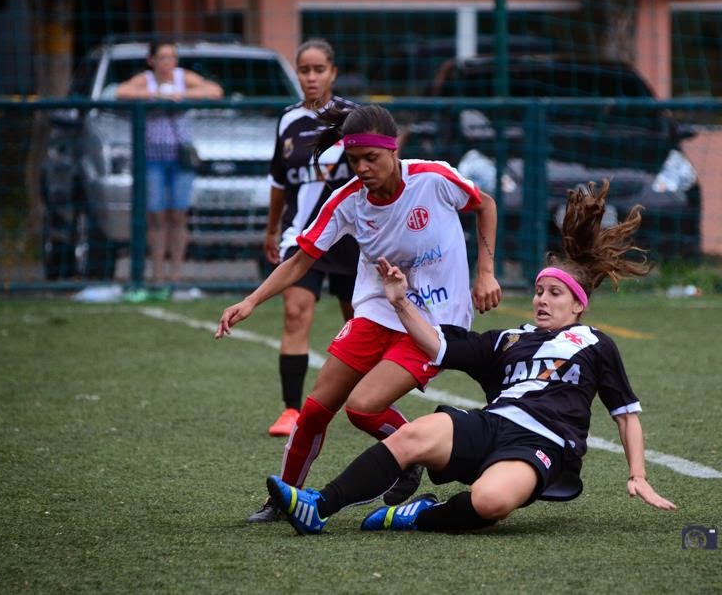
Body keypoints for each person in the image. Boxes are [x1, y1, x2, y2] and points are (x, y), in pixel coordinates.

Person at [265, 179, 677, 535]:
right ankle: (318, 506)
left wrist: (637, 474)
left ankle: (418, 516)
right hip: (491, 423)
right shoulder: (508, 340)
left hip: (543, 442)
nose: (542, 300)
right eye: (539, 291)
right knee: (413, 434)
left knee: (491, 501)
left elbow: (625, 413)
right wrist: (400, 301)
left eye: (555, 294)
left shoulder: (595, 343)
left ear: (578, 306)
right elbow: (438, 347)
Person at [215, 104, 502, 522]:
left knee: (363, 407)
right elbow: (300, 261)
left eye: (371, 158)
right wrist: (251, 301)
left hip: (434, 323)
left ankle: (408, 451)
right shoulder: (348, 201)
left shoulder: (433, 178)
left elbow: (486, 204)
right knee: (314, 410)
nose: (362, 168)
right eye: (353, 160)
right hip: (378, 312)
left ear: (394, 150)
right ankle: (283, 499)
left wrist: (486, 273)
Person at [263, 39, 360, 437]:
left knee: (358, 323)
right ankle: (290, 409)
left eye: (319, 69)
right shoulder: (288, 122)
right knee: (295, 312)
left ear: (333, 73)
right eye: (304, 70)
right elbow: (278, 183)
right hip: (303, 238)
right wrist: (271, 230)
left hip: (353, 239)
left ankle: (363, 401)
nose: (312, 77)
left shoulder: (355, 118)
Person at [116, 39, 223, 286]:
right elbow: (121, 92)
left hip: (180, 159)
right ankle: (157, 274)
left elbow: (215, 90)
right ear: (151, 60)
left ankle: (176, 274)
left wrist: (181, 95)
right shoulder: (146, 80)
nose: (167, 63)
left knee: (178, 214)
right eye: (162, 57)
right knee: (156, 215)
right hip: (152, 158)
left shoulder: (183, 77)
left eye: (171, 57)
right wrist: (156, 95)